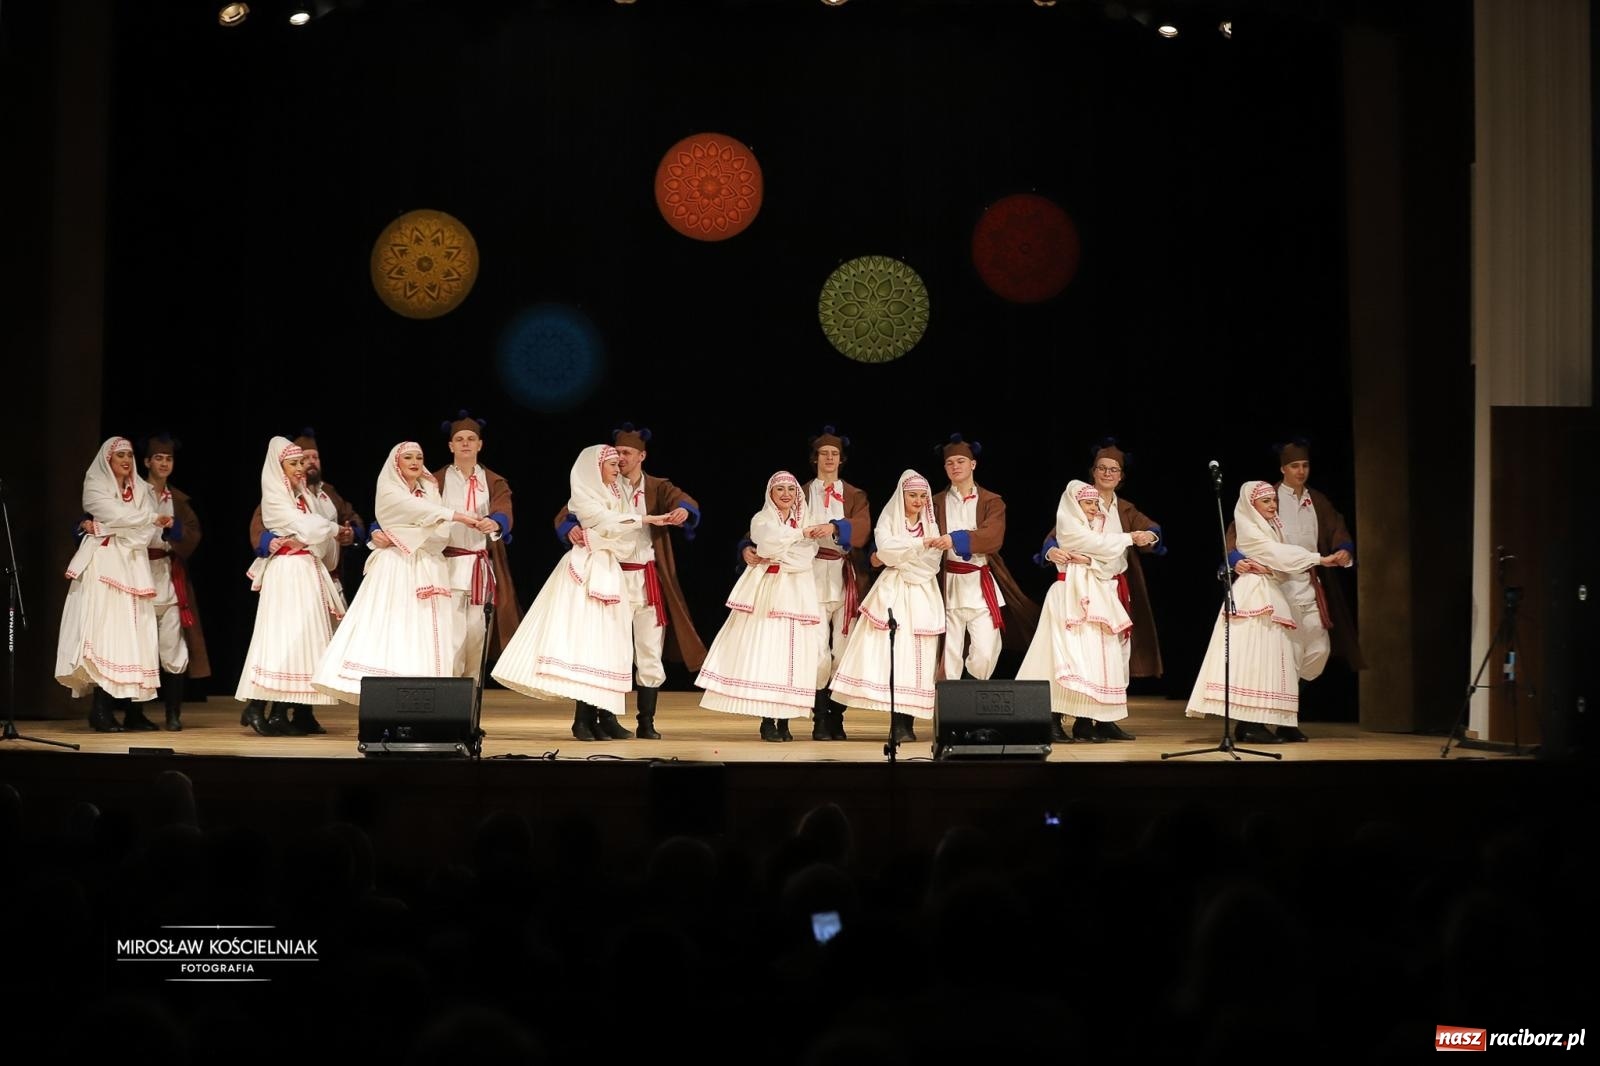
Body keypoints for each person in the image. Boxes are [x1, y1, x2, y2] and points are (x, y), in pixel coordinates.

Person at [496, 445, 676, 739]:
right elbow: (605, 521)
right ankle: (583, 720)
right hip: (588, 573)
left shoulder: (616, 495)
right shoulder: (584, 495)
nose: (618, 468)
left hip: (610, 572)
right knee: (589, 644)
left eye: (620, 462)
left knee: (609, 648)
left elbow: (622, 539)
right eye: (612, 464)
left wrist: (610, 536)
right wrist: (644, 520)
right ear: (595, 467)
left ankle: (605, 718)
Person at [555, 423, 706, 741]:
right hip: (612, 576)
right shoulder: (605, 483)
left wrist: (682, 511)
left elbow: (685, 501)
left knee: (650, 651)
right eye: (617, 453)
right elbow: (570, 510)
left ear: (642, 456)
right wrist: (569, 526)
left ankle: (646, 722)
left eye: (626, 453)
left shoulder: (657, 487)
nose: (620, 458)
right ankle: (599, 717)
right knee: (607, 650)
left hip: (647, 579)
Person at [312, 441, 493, 705]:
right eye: (408, 457)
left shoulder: (429, 490)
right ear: (396, 462)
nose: (415, 461)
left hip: (428, 568)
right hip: (395, 566)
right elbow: (411, 509)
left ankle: (423, 700)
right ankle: (386, 700)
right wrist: (444, 519)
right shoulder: (390, 489)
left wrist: (402, 533)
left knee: (425, 633)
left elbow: (441, 536)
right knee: (393, 628)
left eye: (419, 457)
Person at [740, 426, 871, 740]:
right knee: (815, 653)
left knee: (843, 651)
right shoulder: (799, 491)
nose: (829, 459)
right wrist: (746, 546)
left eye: (834, 454)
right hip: (807, 578)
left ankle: (836, 717)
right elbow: (773, 521)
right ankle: (819, 720)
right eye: (824, 454)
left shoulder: (854, 495)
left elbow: (864, 528)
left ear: (842, 459)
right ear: (815, 458)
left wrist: (836, 527)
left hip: (843, 576)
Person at [1191, 481, 1342, 742]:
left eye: (1274, 500)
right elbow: (1275, 553)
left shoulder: (1271, 526)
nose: (1273, 505)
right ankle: (1250, 725)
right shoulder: (1250, 528)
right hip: (1255, 595)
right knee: (1257, 658)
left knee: (1274, 659)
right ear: (1252, 505)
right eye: (1266, 501)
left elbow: (1277, 557)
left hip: (1271, 591)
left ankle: (1263, 722)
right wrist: (1318, 558)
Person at [1017, 481, 1157, 741]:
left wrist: (1091, 560)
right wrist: (1126, 539)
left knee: (1094, 658)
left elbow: (1113, 561)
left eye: (1095, 503)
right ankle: (1052, 719)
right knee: (1062, 655)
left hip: (1098, 596)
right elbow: (1093, 543)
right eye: (1088, 503)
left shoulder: (1101, 527)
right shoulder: (1069, 524)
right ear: (1074, 504)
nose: (1094, 508)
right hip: (1068, 595)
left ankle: (1087, 720)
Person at [699, 471, 830, 740]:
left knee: (793, 654)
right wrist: (796, 537)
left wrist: (788, 544)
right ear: (770, 493)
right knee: (770, 651)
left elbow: (807, 554)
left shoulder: (807, 520)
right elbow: (768, 543)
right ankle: (768, 720)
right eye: (779, 489)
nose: (786, 494)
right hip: (769, 591)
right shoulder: (762, 519)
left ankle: (785, 720)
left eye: (791, 490)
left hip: (798, 592)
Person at [234, 436, 347, 737]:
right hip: (287, 572)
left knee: (301, 640)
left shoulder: (303, 496)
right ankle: (257, 706)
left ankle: (280, 712)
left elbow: (314, 532)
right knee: (282, 638)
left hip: (305, 570)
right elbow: (312, 527)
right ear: (279, 467)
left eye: (301, 462)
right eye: (293, 463)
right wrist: (329, 529)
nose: (300, 468)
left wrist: (317, 532)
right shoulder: (275, 497)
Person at [1037, 439, 1167, 686]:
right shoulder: (1080, 502)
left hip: (1114, 585)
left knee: (1118, 644)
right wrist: (1050, 551)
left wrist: (1148, 536)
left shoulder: (1125, 509)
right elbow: (1059, 535)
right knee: (1088, 646)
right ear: (1093, 472)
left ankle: (1111, 701)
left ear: (1120, 476)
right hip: (1087, 586)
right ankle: (1087, 700)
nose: (1107, 473)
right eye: (1102, 468)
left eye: (1113, 469)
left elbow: (1151, 529)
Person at [55, 437, 164, 732]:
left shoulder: (143, 490)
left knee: (138, 636)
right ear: (108, 460)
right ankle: (101, 710)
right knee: (108, 634)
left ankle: (134, 711)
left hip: (134, 566)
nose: (126, 460)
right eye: (120, 456)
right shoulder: (95, 486)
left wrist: (106, 528)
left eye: (129, 455)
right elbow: (116, 514)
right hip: (104, 565)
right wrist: (140, 520)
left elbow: (145, 534)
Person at [829, 470, 946, 743]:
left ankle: (908, 721)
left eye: (922, 496)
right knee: (894, 654)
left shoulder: (930, 524)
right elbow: (886, 550)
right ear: (902, 496)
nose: (918, 501)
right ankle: (896, 722)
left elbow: (932, 561)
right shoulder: (889, 520)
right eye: (913, 495)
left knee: (919, 655)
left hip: (923, 591)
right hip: (894, 590)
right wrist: (917, 546)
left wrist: (903, 554)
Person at [931, 434, 1039, 684]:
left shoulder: (992, 501)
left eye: (961, 461)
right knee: (949, 650)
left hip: (979, 582)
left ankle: (974, 691)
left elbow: (993, 536)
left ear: (973, 464)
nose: (955, 466)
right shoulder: (935, 503)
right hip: (948, 583)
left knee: (986, 649)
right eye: (949, 463)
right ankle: (949, 701)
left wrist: (955, 539)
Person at [433, 411, 521, 682]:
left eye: (471, 439)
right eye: (459, 439)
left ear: (480, 444)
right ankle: (449, 696)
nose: (465, 443)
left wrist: (495, 522)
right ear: (451, 446)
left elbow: (503, 507)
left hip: (479, 568)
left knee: (476, 634)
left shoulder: (492, 481)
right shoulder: (435, 480)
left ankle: (470, 698)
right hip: (446, 567)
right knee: (451, 636)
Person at [139, 433, 210, 730]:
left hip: (169, 577)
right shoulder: (135, 494)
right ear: (147, 462)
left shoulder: (177, 500)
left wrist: (174, 528)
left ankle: (173, 714)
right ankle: (134, 713)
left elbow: (193, 531)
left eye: (168, 459)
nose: (164, 463)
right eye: (158, 458)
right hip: (139, 574)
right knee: (139, 647)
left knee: (173, 646)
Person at [250, 427, 363, 602]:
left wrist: (351, 532)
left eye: (314, 458)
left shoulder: (329, 493)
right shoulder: (279, 495)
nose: (309, 463)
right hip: (295, 570)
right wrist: (270, 540)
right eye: (304, 458)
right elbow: (261, 523)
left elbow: (349, 516)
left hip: (327, 574)